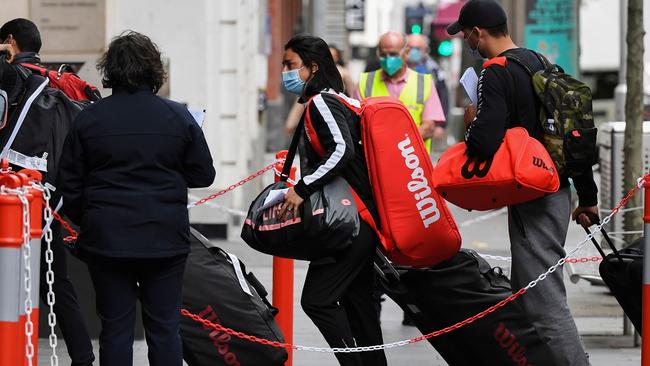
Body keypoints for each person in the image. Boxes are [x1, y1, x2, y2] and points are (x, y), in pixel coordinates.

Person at [447, 1, 598, 365]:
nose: (467, 40)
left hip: (533, 195)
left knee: (544, 300)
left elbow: (483, 142)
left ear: (478, 32)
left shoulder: (495, 72)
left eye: (466, 34)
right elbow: (571, 134)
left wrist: (471, 119)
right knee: (527, 293)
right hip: (557, 189)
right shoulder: (538, 63)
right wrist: (588, 196)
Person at [58, 31, 215, 366]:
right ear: (154, 71)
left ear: (110, 70)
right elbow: (204, 175)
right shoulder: (179, 117)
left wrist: (90, 219)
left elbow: (68, 184)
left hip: (107, 238)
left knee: (115, 328)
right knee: (165, 327)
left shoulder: (89, 118)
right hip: (164, 236)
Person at [279, 34, 387, 366]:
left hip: (350, 223)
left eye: (290, 65)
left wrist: (303, 187)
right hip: (358, 221)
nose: (285, 72)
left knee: (318, 300)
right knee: (359, 307)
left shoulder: (323, 102)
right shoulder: (330, 100)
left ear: (313, 68)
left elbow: (342, 150)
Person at [0, 18, 96, 366]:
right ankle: (83, 356)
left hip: (12, 195)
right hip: (47, 196)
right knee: (56, 283)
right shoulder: (55, 81)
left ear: (9, 41)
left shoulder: (14, 77)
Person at [354, 31, 445, 153]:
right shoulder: (365, 82)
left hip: (414, 165)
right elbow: (357, 124)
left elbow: (428, 128)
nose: (387, 59)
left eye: (393, 54)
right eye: (383, 55)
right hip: (376, 162)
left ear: (406, 53)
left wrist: (395, 143)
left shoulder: (424, 83)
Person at [284, 44, 357, 135]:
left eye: (334, 56)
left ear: (338, 57)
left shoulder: (343, 73)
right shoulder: (314, 72)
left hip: (336, 110)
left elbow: (353, 94)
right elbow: (301, 101)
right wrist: (291, 122)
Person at [406, 33, 450, 120]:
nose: (413, 51)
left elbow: (443, 96)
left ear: (425, 50)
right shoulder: (398, 68)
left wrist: (441, 126)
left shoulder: (434, 69)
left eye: (417, 48)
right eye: (410, 47)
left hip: (427, 123)